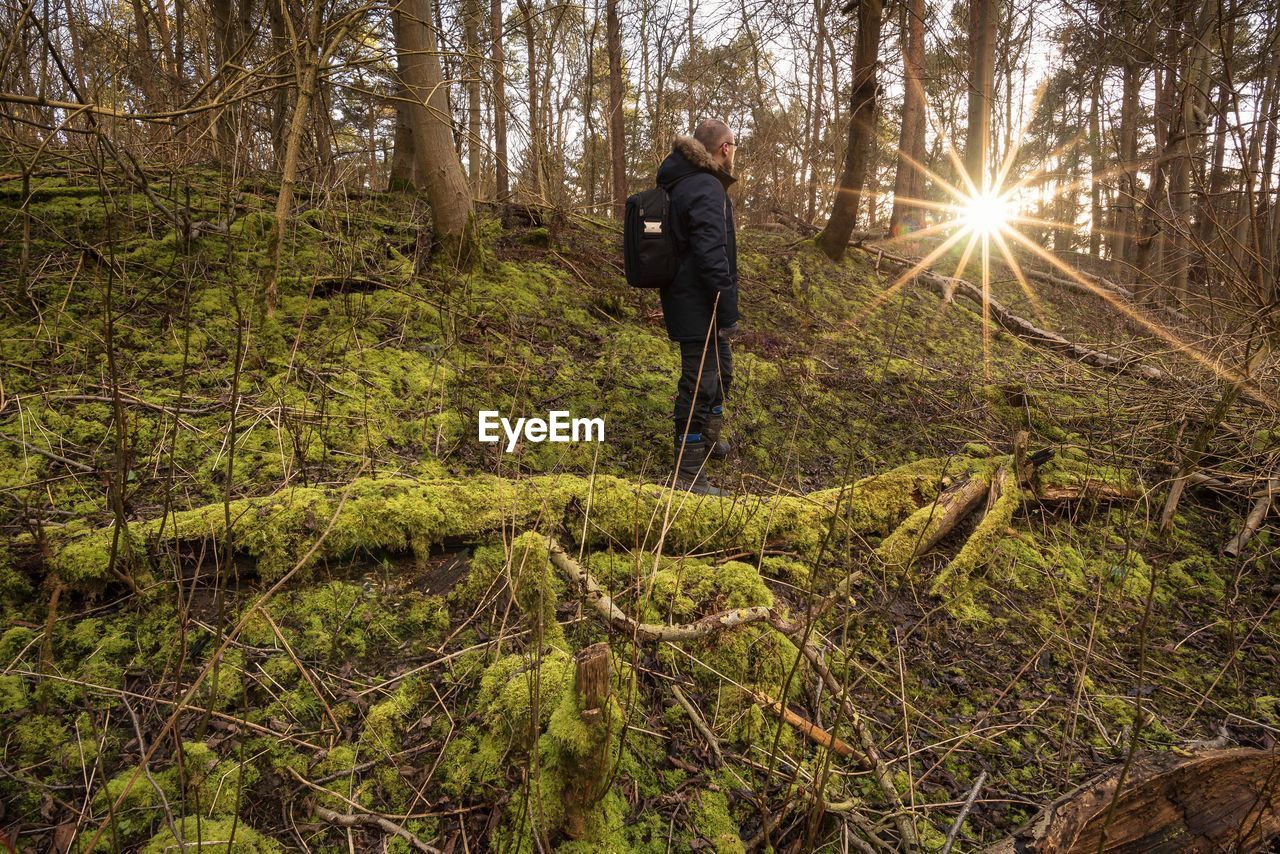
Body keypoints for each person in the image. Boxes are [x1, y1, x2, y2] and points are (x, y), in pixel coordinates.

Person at [654, 119, 741, 495]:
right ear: (724, 148)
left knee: (720, 373)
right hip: (699, 301)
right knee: (701, 382)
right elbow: (710, 254)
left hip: (692, 296)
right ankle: (688, 472)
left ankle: (707, 440)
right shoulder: (705, 185)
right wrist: (726, 307)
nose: (734, 154)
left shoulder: (686, 181)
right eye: (734, 147)